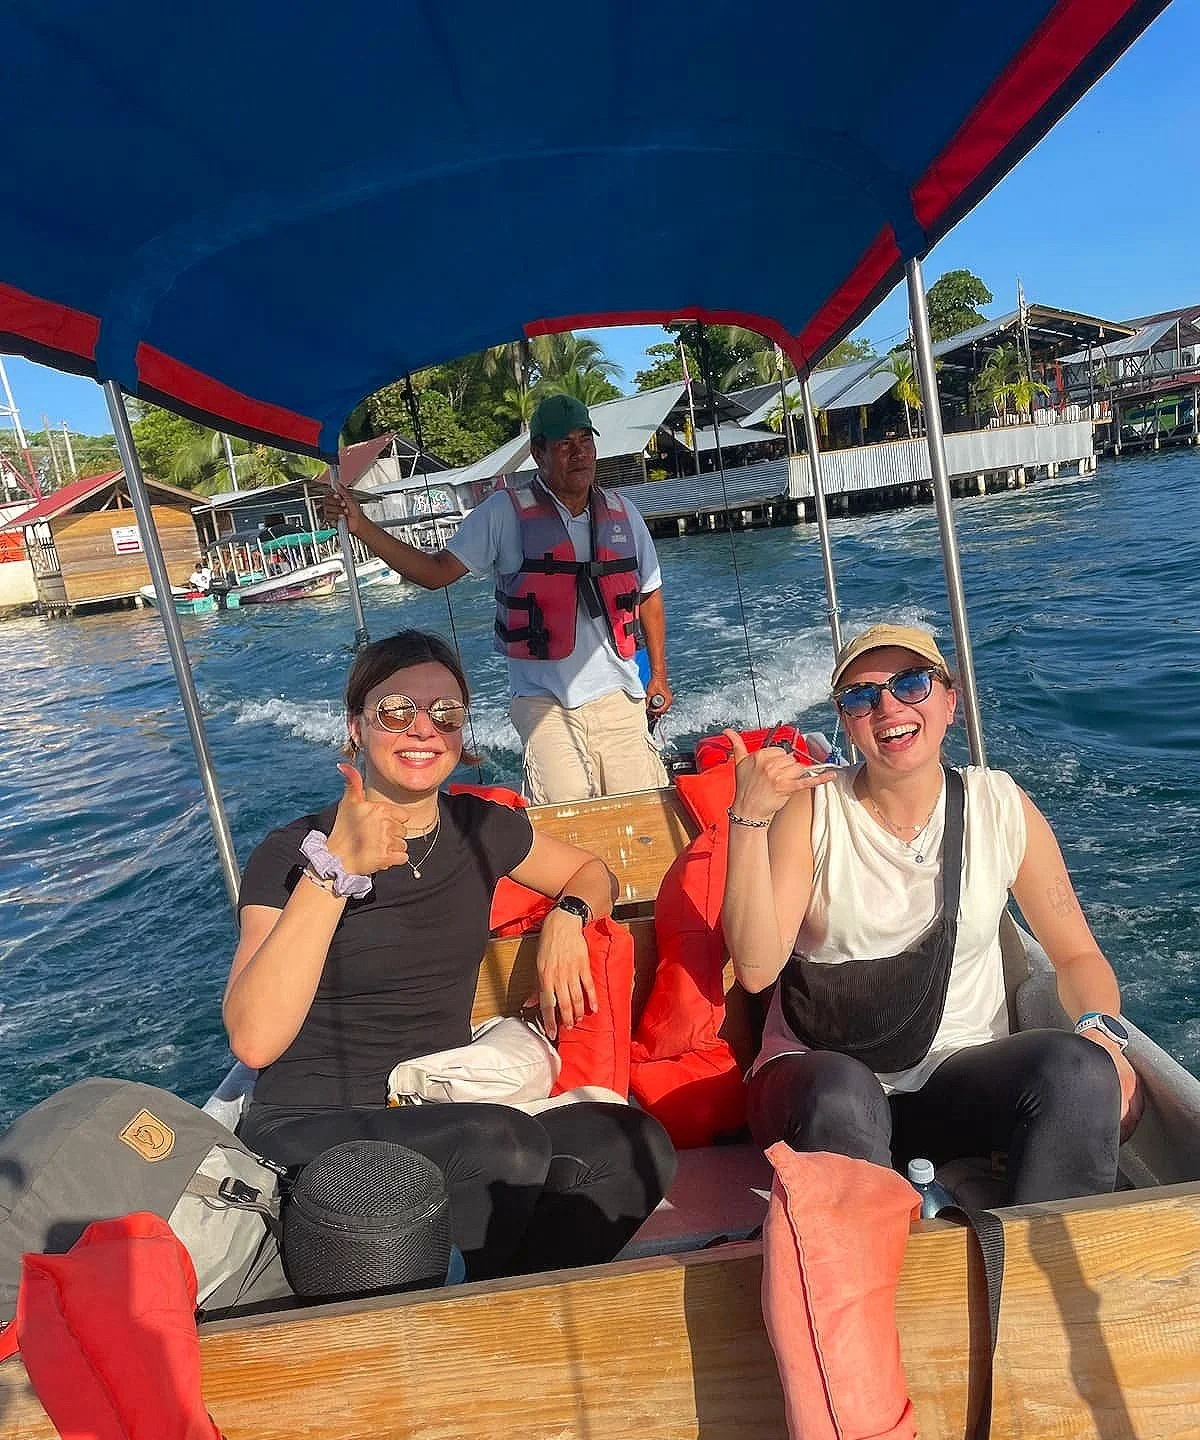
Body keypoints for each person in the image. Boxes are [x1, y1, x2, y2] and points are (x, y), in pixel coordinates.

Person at [224, 628, 676, 1281]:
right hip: (305, 1127)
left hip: (433, 1106)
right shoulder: (294, 850)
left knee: (633, 1146)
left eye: (446, 714)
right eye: (397, 710)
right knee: (504, 1146)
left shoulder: (478, 829)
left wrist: (567, 923)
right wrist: (335, 872)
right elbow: (254, 1039)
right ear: (356, 728)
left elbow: (593, 874)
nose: (424, 729)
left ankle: (503, 1311)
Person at [721, 621, 1140, 1206]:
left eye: (911, 684)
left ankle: (1031, 1280)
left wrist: (1104, 1035)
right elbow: (757, 970)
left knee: (1080, 1071)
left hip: (954, 1084)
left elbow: (1076, 954)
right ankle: (873, 1277)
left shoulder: (1000, 806)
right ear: (847, 721)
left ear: (949, 702)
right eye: (862, 697)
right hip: (819, 1089)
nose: (888, 706)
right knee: (843, 1093)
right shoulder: (813, 811)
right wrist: (749, 819)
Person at [325, 394, 672, 804]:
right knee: (569, 802)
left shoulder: (623, 512)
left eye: (585, 441)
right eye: (565, 445)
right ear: (539, 453)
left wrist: (660, 676)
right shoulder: (503, 514)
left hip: (619, 694)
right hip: (542, 702)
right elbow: (434, 573)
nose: (579, 453)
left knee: (643, 804)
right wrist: (361, 525)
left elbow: (649, 595)